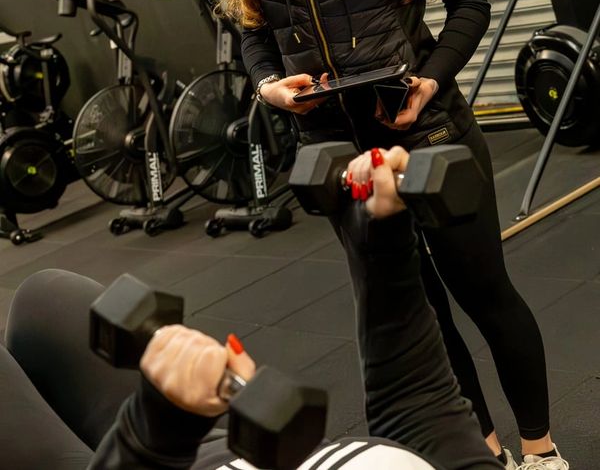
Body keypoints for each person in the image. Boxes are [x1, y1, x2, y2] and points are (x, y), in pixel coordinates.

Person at [216, 0, 567, 470]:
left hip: (429, 134)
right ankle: (481, 448)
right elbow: (253, 30)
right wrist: (268, 86)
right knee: (416, 313)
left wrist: (430, 79)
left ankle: (539, 452)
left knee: (484, 295)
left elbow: (467, 1)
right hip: (339, 154)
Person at [0, 147, 502, 470]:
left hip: (165, 454)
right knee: (45, 299)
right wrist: (384, 233)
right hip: (234, 444)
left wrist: (154, 431)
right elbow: (417, 410)